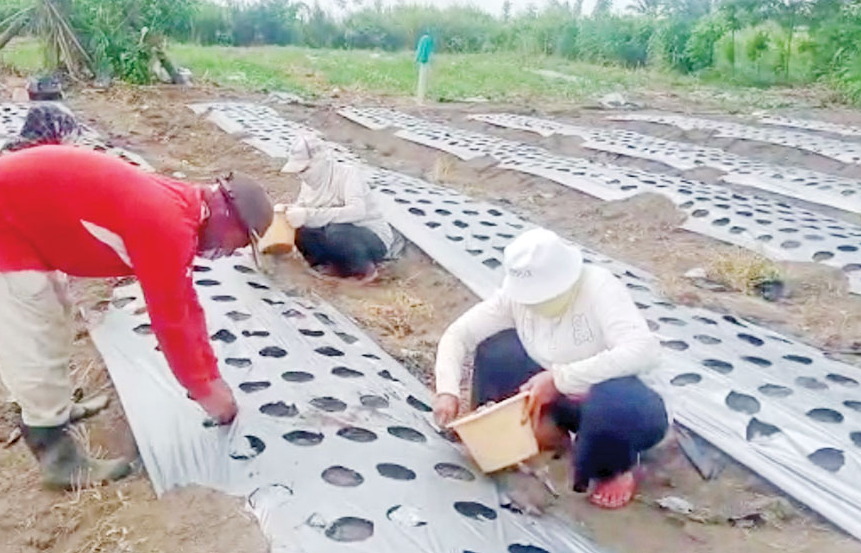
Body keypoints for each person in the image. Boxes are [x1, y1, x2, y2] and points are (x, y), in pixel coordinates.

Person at [0, 145, 273, 489]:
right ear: (228, 216)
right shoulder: (167, 224)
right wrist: (204, 390)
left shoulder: (182, 206)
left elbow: (188, 304)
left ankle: (57, 408)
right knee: (30, 332)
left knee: (54, 317)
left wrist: (212, 375)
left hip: (16, 217)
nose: (232, 251)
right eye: (240, 242)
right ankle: (57, 456)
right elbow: (171, 319)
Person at [433, 228, 668, 510]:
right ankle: (527, 432)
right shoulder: (515, 297)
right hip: (560, 395)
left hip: (621, 401)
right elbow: (459, 335)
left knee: (615, 400)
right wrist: (447, 391)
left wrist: (560, 378)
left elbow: (642, 350)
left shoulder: (599, 287)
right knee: (497, 348)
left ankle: (616, 466)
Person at [277, 135, 399, 282]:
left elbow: (357, 212)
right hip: (335, 236)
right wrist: (288, 211)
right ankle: (326, 265)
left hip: (369, 239)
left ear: (320, 161)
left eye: (306, 169)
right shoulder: (308, 184)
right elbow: (303, 208)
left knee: (336, 230)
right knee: (299, 227)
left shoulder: (347, 175)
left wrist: (308, 215)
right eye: (299, 171)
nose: (302, 175)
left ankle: (363, 270)